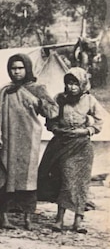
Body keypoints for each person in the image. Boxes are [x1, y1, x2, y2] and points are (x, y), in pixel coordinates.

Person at [0, 54, 58, 230]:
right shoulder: (3, 90)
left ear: (27, 69)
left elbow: (53, 111)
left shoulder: (37, 88)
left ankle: (27, 219)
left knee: (28, 178)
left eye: (20, 68)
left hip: (28, 139)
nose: (16, 72)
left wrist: (37, 102)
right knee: (6, 176)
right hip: (7, 138)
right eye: (13, 68)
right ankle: (4, 217)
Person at [38, 67, 103, 234]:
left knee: (81, 184)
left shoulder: (89, 100)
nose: (72, 87)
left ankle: (78, 221)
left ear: (82, 84)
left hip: (82, 146)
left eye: (76, 83)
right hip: (63, 144)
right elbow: (50, 119)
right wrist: (57, 129)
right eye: (69, 83)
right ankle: (59, 219)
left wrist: (87, 130)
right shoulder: (59, 99)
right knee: (66, 180)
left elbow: (99, 121)